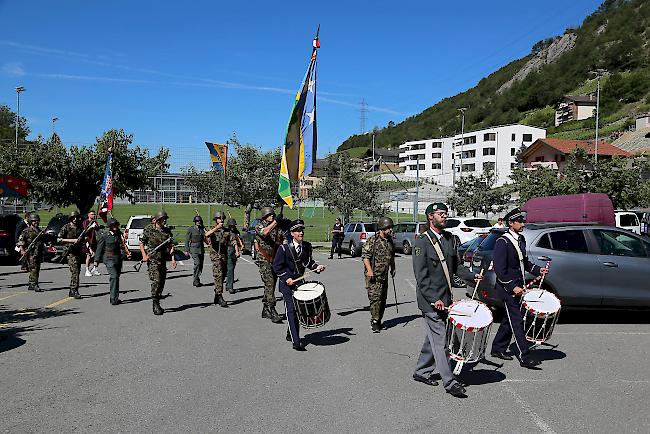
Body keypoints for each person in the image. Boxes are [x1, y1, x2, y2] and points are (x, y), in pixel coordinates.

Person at [412, 202, 480, 398]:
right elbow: (421, 276)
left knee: (433, 339)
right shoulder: (422, 242)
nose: (444, 216)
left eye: (445, 213)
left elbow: (455, 266)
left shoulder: (449, 239)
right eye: (440, 214)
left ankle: (421, 371)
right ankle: (450, 382)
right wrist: (434, 299)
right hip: (431, 301)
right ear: (430, 217)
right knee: (442, 341)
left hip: (446, 299)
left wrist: (471, 275)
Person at [490, 208, 548, 369]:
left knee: (509, 320)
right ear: (511, 223)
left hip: (519, 286)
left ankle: (497, 348)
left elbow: (524, 262)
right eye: (520, 221)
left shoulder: (520, 239)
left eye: (523, 221)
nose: (523, 224)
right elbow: (499, 269)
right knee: (517, 321)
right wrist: (512, 286)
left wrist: (538, 269)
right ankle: (525, 356)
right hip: (508, 289)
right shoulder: (503, 241)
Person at [272, 219, 325, 351]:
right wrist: (286, 278)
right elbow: (277, 267)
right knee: (291, 311)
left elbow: (308, 263)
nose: (300, 233)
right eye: (297, 231)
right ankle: (296, 341)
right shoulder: (283, 248)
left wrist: (317, 267)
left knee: (299, 311)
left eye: (302, 230)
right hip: (287, 285)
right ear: (291, 233)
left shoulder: (306, 246)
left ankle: (291, 332)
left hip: (300, 284)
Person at [362, 216, 396, 333]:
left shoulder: (390, 240)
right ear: (382, 228)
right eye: (388, 228)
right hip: (373, 276)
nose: (391, 230)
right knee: (375, 299)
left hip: (384, 276)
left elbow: (391, 256)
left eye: (391, 227)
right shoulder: (373, 240)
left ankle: (379, 320)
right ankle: (375, 321)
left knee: (383, 299)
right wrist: (370, 271)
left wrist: (393, 268)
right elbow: (365, 257)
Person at [139, 210, 177, 315]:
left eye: (165, 219)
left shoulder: (166, 231)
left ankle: (158, 299)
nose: (164, 221)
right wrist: (144, 255)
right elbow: (141, 243)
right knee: (156, 280)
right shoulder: (148, 229)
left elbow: (171, 245)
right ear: (157, 220)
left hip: (163, 259)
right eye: (162, 219)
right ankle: (155, 303)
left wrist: (173, 258)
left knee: (162, 282)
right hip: (152, 260)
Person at [255, 206, 288, 324]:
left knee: (272, 284)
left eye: (273, 215)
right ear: (264, 217)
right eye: (269, 215)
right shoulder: (259, 226)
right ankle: (273, 309)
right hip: (264, 259)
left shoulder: (277, 228)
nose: (272, 217)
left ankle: (265, 308)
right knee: (269, 283)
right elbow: (265, 232)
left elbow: (284, 240)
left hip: (275, 259)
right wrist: (275, 222)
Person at [94, 218, 128, 305]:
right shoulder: (104, 235)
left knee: (116, 278)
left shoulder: (119, 234)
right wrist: (96, 260)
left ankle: (115, 298)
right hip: (109, 258)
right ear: (109, 226)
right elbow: (99, 248)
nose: (115, 226)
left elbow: (122, 246)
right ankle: (113, 298)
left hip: (118, 259)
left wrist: (125, 254)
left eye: (116, 225)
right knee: (114, 276)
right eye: (113, 225)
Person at [204, 211, 232, 307]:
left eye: (223, 218)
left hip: (224, 255)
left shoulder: (227, 230)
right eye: (220, 218)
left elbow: (232, 239)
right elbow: (207, 235)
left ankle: (216, 295)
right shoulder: (213, 229)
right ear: (216, 220)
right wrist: (217, 228)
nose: (222, 220)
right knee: (218, 275)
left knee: (223, 275)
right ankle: (220, 296)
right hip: (216, 256)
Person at [58, 211, 85, 299]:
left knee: (77, 271)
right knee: (75, 271)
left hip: (78, 252)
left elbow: (83, 238)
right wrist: (72, 240)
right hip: (69, 252)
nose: (75, 219)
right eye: (74, 218)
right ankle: (74, 290)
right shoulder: (66, 227)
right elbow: (59, 239)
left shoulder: (80, 227)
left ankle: (72, 289)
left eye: (77, 217)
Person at [17, 213, 44, 292]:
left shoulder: (39, 230)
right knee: (34, 268)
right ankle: (34, 283)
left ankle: (31, 283)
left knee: (36, 268)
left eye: (37, 221)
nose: (36, 222)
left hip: (38, 252)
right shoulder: (26, 230)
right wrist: (22, 250)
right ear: (30, 221)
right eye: (34, 221)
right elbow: (21, 240)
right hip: (31, 253)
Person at [185, 215, 205, 287]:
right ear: (195, 222)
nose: (198, 222)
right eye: (197, 221)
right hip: (194, 248)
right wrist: (186, 250)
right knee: (197, 263)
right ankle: (195, 280)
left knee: (201, 266)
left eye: (199, 221)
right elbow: (187, 239)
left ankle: (197, 279)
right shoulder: (191, 229)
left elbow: (205, 237)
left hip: (201, 249)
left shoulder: (202, 229)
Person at [225, 218, 241, 294]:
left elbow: (238, 241)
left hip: (233, 252)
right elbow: (234, 242)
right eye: (231, 225)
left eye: (233, 225)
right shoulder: (227, 232)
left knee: (231, 269)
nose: (232, 227)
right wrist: (237, 251)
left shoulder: (236, 232)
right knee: (230, 269)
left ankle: (227, 285)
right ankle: (230, 286)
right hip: (228, 251)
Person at [83, 211, 100, 277]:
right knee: (89, 255)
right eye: (92, 214)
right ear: (88, 215)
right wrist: (91, 227)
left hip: (94, 240)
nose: (93, 215)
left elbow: (98, 230)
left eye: (94, 214)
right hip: (88, 240)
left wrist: (96, 226)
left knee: (96, 255)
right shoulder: (86, 222)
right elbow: (85, 231)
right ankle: (87, 270)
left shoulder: (94, 222)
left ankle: (95, 268)